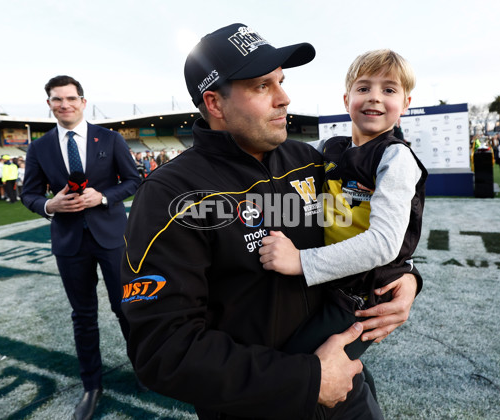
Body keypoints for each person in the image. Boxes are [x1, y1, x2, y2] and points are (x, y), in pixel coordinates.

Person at [121, 23, 419, 420]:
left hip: (349, 391)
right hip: (263, 407)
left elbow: (376, 228)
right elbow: (163, 352)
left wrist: (410, 279)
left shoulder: (309, 162)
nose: (285, 98)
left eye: (281, 81)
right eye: (263, 86)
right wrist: (309, 379)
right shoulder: (170, 196)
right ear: (214, 103)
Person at [259, 49, 426, 360]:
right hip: (333, 284)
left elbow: (384, 245)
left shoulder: (395, 157)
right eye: (364, 88)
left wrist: (301, 261)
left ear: (405, 104)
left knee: (299, 365)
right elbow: (279, 152)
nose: (375, 97)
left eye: (388, 90)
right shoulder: (330, 148)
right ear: (346, 99)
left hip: (362, 295)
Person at [21, 75, 141, 420]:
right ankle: (92, 385)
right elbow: (28, 193)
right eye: (56, 99)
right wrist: (49, 206)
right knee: (83, 316)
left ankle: (143, 368)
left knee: (127, 308)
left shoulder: (111, 138)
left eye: (71, 98)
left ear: (83, 101)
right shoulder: (39, 147)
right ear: (49, 104)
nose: (64, 104)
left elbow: (133, 180)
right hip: (69, 241)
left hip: (112, 237)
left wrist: (103, 196)